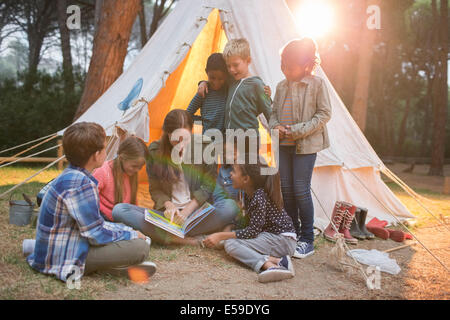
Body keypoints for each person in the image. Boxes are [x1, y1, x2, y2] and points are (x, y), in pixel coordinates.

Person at [26, 122, 156, 282]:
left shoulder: (72, 175)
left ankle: (35, 247)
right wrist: (130, 234)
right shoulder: (81, 184)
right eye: (104, 148)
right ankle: (112, 268)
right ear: (96, 155)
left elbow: (94, 225)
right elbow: (96, 234)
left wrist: (127, 232)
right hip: (63, 257)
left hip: (61, 246)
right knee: (140, 248)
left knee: (127, 236)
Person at [112, 109, 240, 245]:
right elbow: (155, 189)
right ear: (167, 134)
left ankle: (169, 234)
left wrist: (186, 212)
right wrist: (169, 205)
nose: (180, 144)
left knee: (230, 207)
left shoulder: (205, 147)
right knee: (120, 210)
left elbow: (209, 185)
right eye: (175, 139)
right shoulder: (155, 151)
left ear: (191, 131)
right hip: (168, 217)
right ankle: (183, 239)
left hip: (196, 214)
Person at [269, 38, 332, 259]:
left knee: (300, 190)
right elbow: (273, 113)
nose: (285, 70)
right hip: (283, 146)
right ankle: (292, 234)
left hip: (305, 147)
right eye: (282, 65)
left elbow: (324, 114)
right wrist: (275, 125)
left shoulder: (317, 85)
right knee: (286, 191)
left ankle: (307, 239)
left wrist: (296, 130)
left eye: (290, 67)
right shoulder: (280, 86)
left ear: (306, 65)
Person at [203, 156, 297, 283]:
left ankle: (270, 266)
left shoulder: (259, 196)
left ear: (246, 179)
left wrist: (221, 235)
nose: (230, 174)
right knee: (230, 242)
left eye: (234, 171)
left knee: (230, 243)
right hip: (274, 239)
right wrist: (231, 228)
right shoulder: (248, 194)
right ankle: (278, 260)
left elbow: (253, 231)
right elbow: (248, 224)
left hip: (282, 241)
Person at [93, 136, 149, 222]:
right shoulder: (103, 171)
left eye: (140, 167)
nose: (137, 170)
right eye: (134, 166)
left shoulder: (131, 175)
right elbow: (90, 200)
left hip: (121, 218)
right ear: (122, 158)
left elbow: (133, 203)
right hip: (103, 217)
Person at [187, 53, 229, 134]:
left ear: (226, 75)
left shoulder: (228, 89)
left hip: (224, 141)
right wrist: (203, 121)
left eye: (220, 79)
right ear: (206, 72)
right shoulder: (203, 92)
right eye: (212, 78)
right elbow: (187, 114)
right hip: (207, 140)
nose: (216, 82)